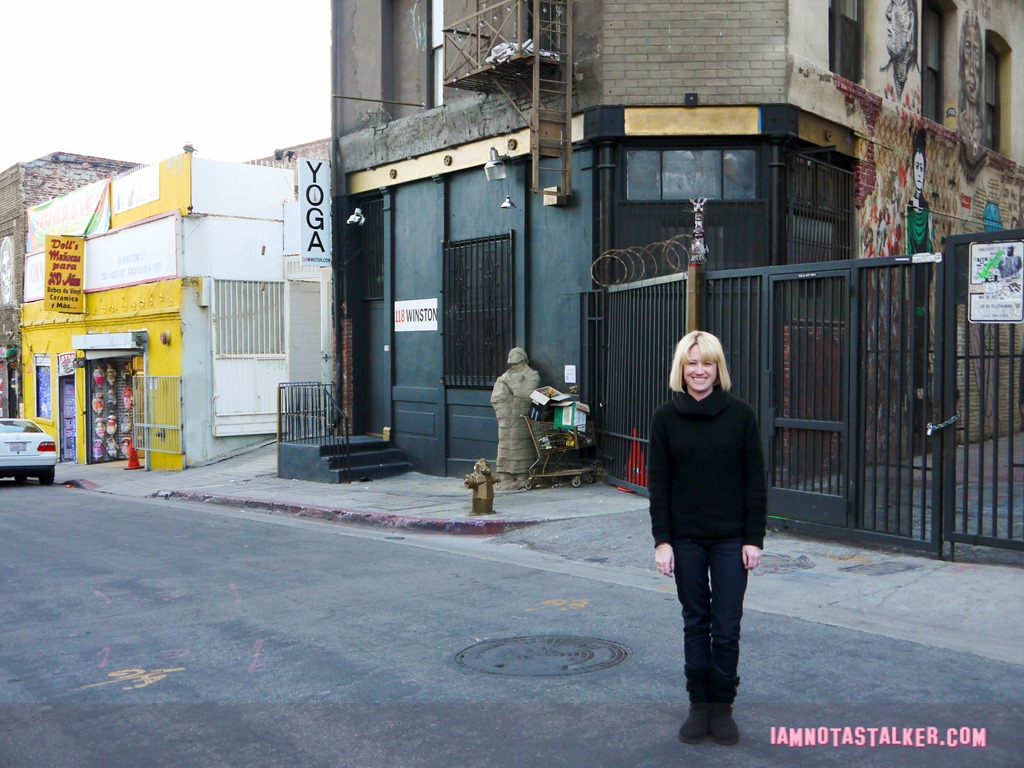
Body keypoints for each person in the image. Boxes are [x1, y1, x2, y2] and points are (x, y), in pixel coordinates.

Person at [647, 330, 766, 746]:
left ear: (718, 369)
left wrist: (754, 538)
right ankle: (700, 707)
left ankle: (723, 708)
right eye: (692, 363)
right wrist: (663, 542)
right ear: (682, 368)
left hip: (732, 539)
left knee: (727, 626)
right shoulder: (665, 418)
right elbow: (658, 486)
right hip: (686, 540)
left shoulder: (740, 415)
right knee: (695, 622)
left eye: (707, 363)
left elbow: (755, 481)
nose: (700, 371)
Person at [490, 347, 541, 485]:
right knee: (505, 444)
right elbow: (495, 397)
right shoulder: (504, 377)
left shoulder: (532, 375)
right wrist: (501, 413)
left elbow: (529, 395)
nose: (513, 368)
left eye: (516, 365)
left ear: (523, 362)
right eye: (511, 365)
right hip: (506, 419)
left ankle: (522, 473)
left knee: (520, 443)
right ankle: (504, 472)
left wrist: (514, 385)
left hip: (521, 416)